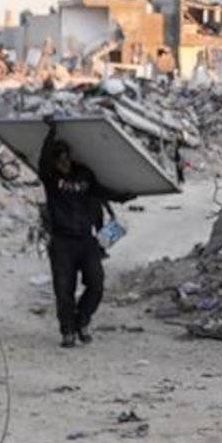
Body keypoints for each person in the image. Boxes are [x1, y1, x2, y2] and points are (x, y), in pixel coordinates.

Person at [38, 118, 133, 348]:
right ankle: (68, 331)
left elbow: (100, 192)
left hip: (85, 240)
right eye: (57, 157)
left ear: (69, 156)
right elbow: (42, 162)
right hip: (61, 241)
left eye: (64, 156)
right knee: (64, 289)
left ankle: (82, 320)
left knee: (96, 284)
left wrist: (122, 196)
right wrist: (50, 133)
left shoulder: (84, 175)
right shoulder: (51, 178)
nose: (62, 161)